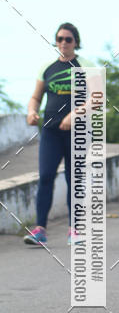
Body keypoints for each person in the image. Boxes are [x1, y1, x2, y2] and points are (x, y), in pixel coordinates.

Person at [24, 24, 93, 246]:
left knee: (74, 179)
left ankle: (75, 230)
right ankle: (40, 230)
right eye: (60, 39)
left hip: (78, 133)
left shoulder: (86, 65)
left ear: (76, 42)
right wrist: (32, 111)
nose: (63, 43)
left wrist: (75, 114)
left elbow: (98, 98)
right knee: (45, 176)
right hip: (51, 131)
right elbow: (36, 97)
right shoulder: (48, 67)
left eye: (68, 39)